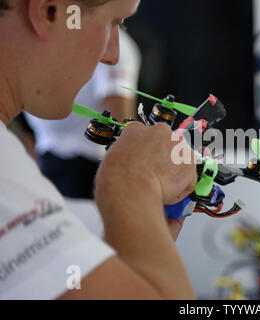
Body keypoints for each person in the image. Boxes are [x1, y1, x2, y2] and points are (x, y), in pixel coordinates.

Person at [0, 0, 197, 299]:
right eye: (113, 23)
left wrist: (137, 242)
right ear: (49, 11)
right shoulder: (5, 173)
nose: (112, 54)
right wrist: (131, 180)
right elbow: (118, 121)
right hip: (81, 169)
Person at [25, 29, 141, 199]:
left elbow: (120, 129)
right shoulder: (47, 35)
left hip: (87, 170)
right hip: (45, 160)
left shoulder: (112, 45)